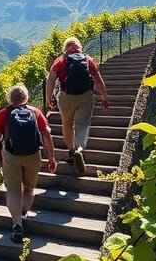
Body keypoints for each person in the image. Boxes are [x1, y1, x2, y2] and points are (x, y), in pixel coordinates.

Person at [0, 84, 56, 243]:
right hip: (33, 155)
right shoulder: (35, 112)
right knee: (29, 187)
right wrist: (51, 158)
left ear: (10, 99)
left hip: (11, 156)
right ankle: (23, 213)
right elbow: (46, 135)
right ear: (26, 98)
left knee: (13, 189)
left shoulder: (4, 114)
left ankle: (17, 223)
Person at [46, 37, 109, 176]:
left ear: (65, 48)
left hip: (66, 97)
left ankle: (71, 151)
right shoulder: (87, 59)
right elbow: (98, 80)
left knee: (67, 125)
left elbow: (50, 80)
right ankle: (79, 149)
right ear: (80, 47)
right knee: (82, 125)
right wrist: (104, 97)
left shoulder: (60, 61)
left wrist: (49, 98)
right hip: (86, 96)